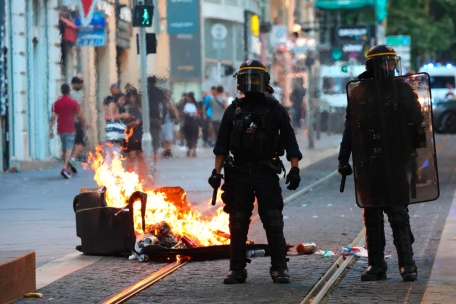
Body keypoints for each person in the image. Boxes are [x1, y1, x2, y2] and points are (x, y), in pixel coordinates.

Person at [208, 60, 302, 284]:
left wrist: (295, 169)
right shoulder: (233, 109)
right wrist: (216, 172)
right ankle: (236, 269)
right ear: (240, 81)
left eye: (254, 78)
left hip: (266, 171)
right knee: (238, 221)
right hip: (238, 173)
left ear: (264, 82)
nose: (250, 82)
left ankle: (279, 267)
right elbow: (221, 145)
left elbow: (290, 142)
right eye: (246, 78)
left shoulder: (276, 109)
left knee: (273, 220)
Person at [338, 45, 423, 282]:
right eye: (384, 63)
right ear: (373, 66)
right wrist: (343, 158)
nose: (389, 67)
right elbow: (350, 129)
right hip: (369, 162)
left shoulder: (403, 91)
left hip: (394, 160)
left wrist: (413, 155)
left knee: (398, 213)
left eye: (391, 62)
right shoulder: (359, 93)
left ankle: (407, 264)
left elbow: (417, 125)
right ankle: (376, 265)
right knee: (372, 215)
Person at [49, 84, 88, 179]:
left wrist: (51, 129)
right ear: (69, 91)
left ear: (61, 91)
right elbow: (80, 115)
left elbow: (53, 116)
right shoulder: (73, 102)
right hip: (70, 128)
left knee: (64, 149)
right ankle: (65, 168)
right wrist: (84, 123)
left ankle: (68, 168)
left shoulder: (57, 103)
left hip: (60, 129)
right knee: (69, 149)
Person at [124, 89, 146, 180]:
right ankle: (129, 176)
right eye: (130, 97)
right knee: (132, 156)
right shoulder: (126, 108)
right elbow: (123, 122)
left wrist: (138, 122)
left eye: (133, 97)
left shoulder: (140, 108)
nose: (132, 99)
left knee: (140, 156)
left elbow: (143, 119)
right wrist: (131, 124)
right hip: (130, 135)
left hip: (140, 133)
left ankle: (141, 176)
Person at [147, 76, 167, 162]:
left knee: (145, 135)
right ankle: (154, 154)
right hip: (156, 117)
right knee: (155, 136)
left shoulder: (145, 92)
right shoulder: (159, 92)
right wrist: (163, 117)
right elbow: (164, 105)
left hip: (146, 117)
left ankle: (147, 154)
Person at [69, 76, 85, 172]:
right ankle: (72, 159)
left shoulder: (71, 94)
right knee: (82, 143)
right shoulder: (75, 95)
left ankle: (71, 163)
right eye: (79, 83)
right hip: (76, 121)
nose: (80, 85)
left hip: (71, 121)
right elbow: (78, 110)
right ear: (74, 84)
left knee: (75, 144)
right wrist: (84, 121)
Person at [160, 90, 180, 158]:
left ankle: (168, 150)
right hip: (162, 122)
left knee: (168, 137)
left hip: (168, 122)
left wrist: (177, 117)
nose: (167, 96)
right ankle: (166, 150)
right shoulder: (160, 102)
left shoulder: (169, 102)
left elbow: (175, 110)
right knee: (164, 137)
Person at [183, 92, 199, 157]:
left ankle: (194, 149)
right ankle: (189, 149)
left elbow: (198, 114)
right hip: (188, 121)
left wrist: (195, 114)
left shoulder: (196, 105)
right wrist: (187, 113)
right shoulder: (185, 105)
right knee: (188, 136)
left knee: (194, 135)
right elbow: (184, 113)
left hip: (194, 121)